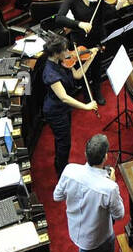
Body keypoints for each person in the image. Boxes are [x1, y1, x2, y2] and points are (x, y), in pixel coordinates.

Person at [54, 134, 125, 252]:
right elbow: (119, 215)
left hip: (75, 229)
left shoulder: (69, 170)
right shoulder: (109, 187)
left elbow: (57, 196)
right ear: (105, 157)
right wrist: (112, 182)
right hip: (98, 239)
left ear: (85, 154)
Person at [42, 34, 99, 177]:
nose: (68, 52)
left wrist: (90, 58)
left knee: (62, 140)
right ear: (56, 53)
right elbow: (64, 98)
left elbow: (78, 75)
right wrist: (86, 106)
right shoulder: (50, 73)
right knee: (64, 144)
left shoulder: (62, 61)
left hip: (63, 109)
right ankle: (62, 173)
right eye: (65, 50)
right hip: (55, 112)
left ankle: (60, 165)